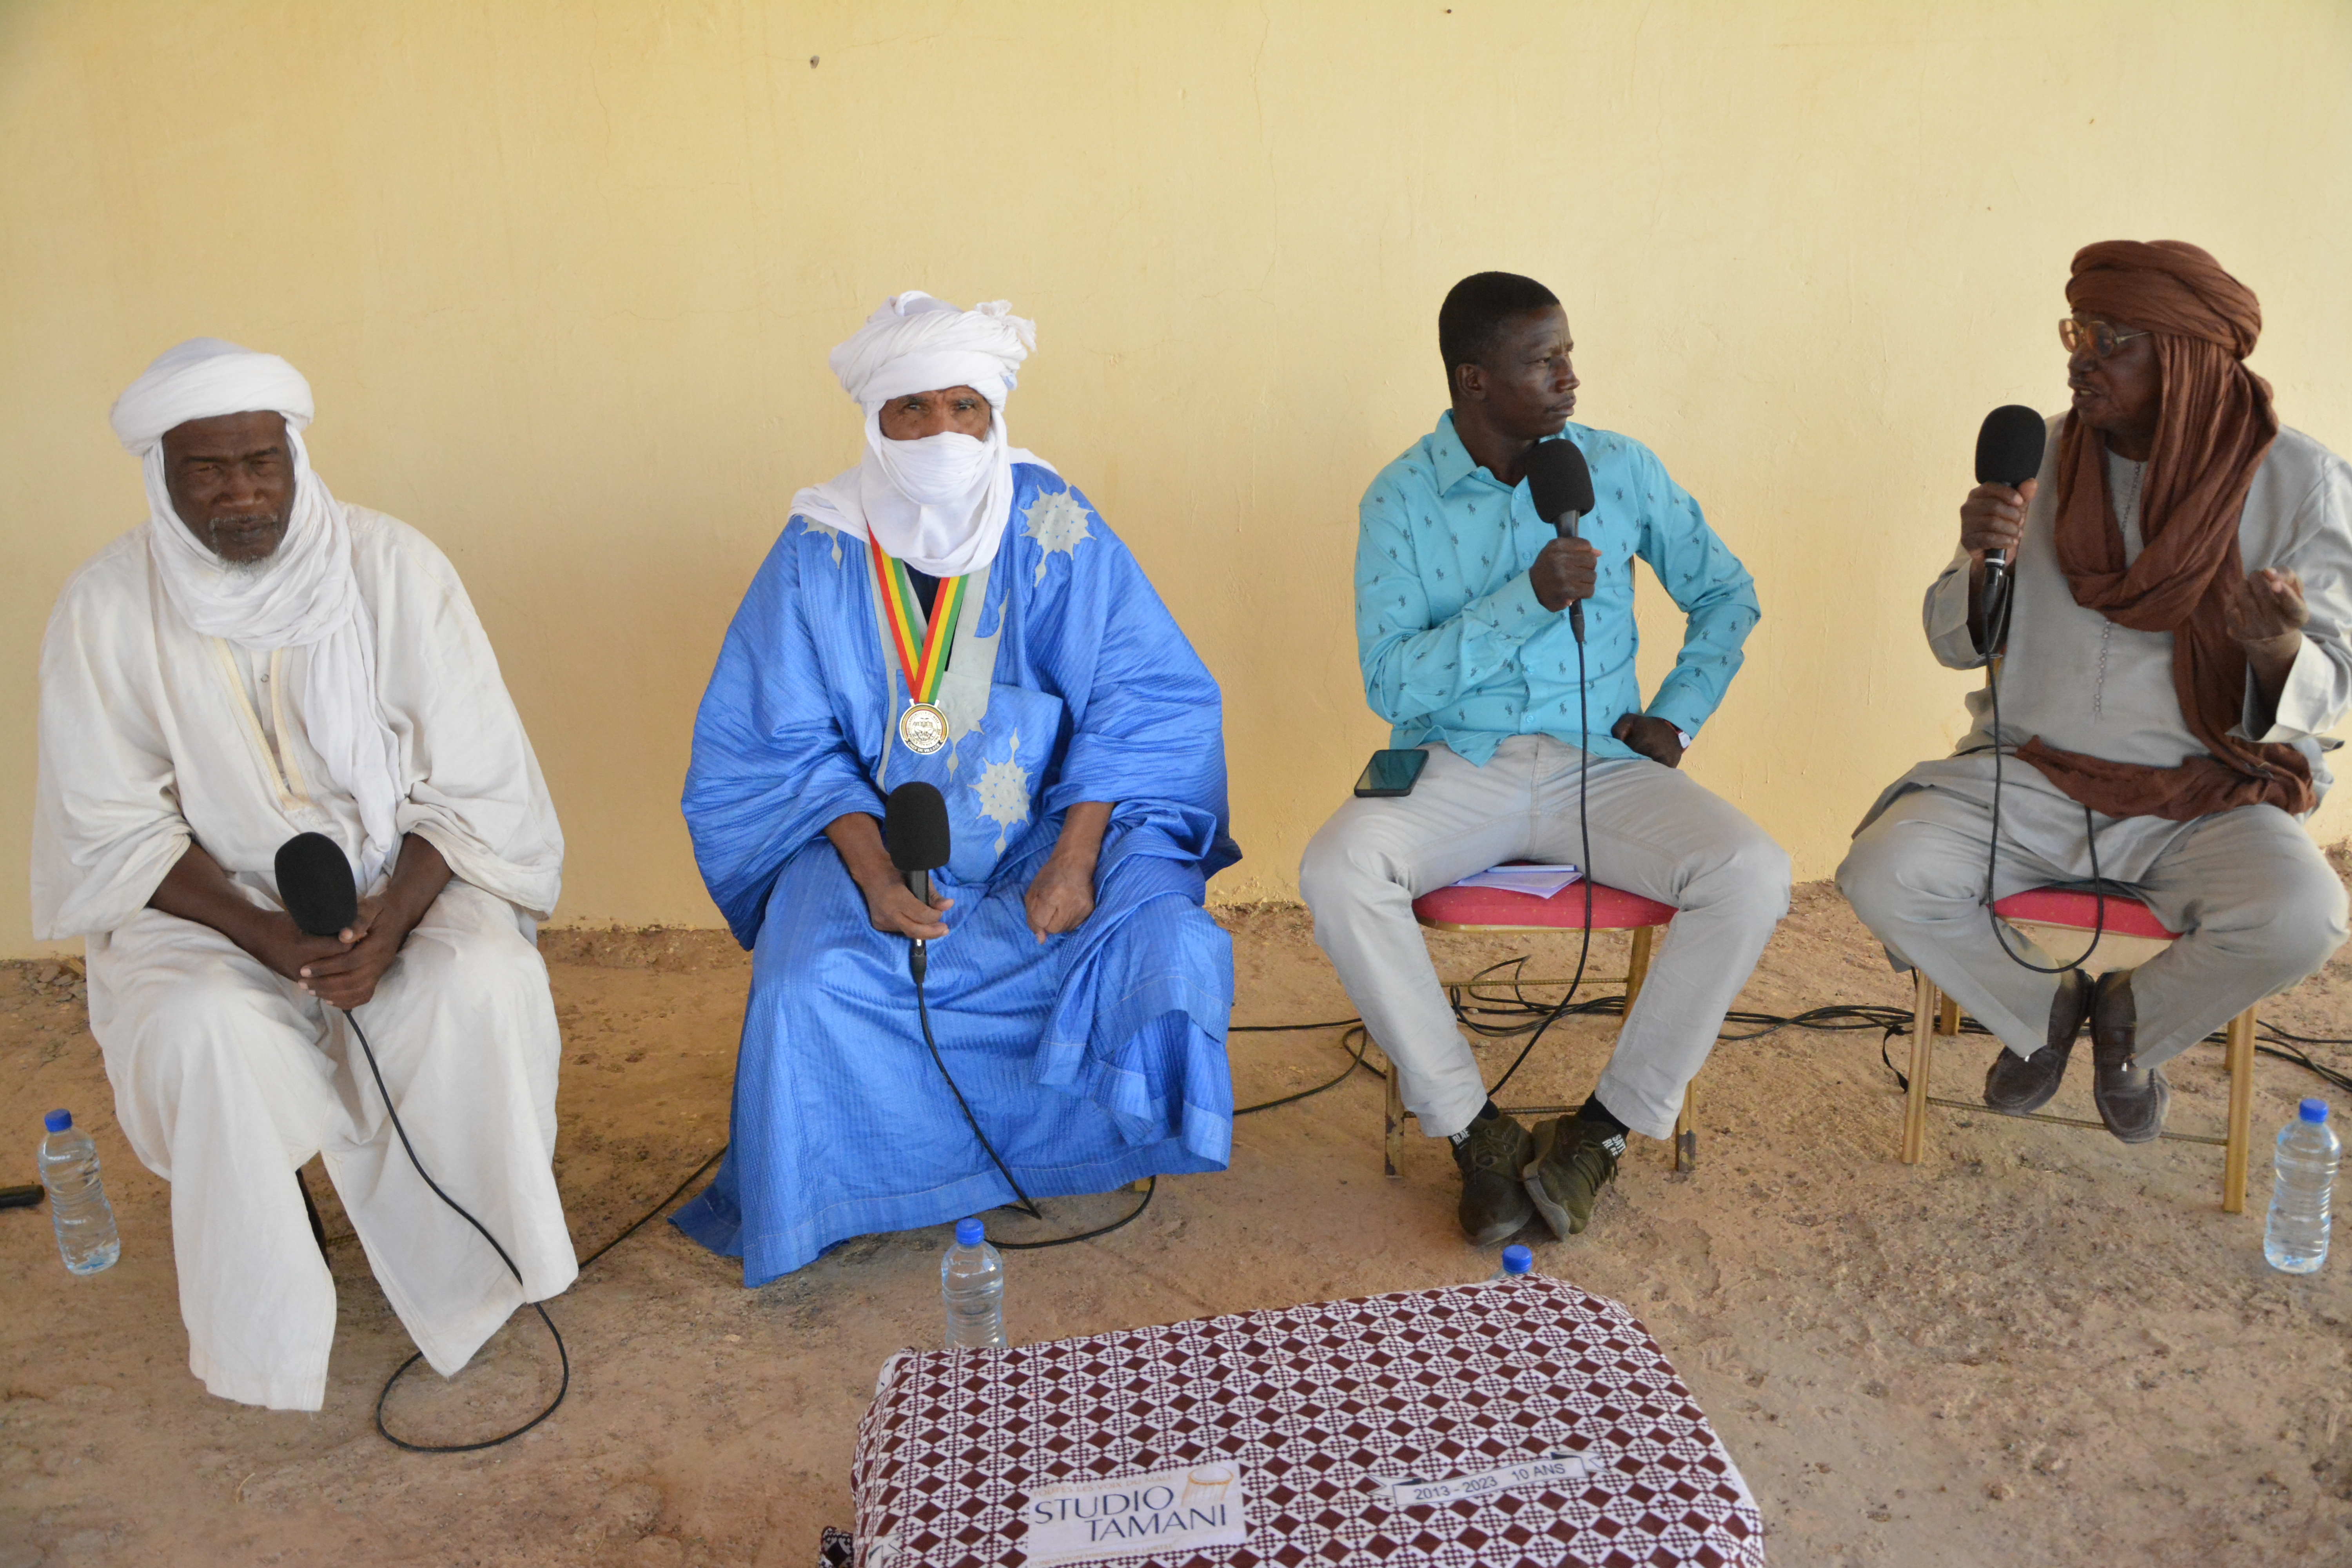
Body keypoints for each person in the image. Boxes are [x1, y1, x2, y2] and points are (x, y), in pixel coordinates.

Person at [32, 339, 573, 1411]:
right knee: (202, 1028)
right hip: (210, 905)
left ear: (294, 458)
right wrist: (266, 935)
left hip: (398, 874)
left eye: (260, 464)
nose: (241, 494)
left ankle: (476, 1279)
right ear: (161, 473)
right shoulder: (105, 607)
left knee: (483, 984)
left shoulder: (396, 568)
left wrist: (394, 919)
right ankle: (268, 1336)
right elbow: (113, 828)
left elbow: (478, 782)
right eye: (207, 470)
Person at [673, 293, 1238, 1284]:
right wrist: (873, 874)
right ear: (876, 421)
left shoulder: (1055, 524)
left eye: (964, 407)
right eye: (915, 409)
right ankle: (841, 1190)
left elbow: (1140, 696)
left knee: (1158, 936)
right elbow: (783, 743)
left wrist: (1077, 859)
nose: (943, 432)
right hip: (868, 831)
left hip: (1055, 826)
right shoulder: (818, 549)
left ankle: (1095, 1142)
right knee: (808, 985)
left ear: (993, 415)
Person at [1300, 272, 1789, 1246]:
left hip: (1601, 763)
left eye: (1568, 353)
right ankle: (1472, 1129)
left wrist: (1678, 715)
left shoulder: (1621, 468)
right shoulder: (1400, 497)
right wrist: (1525, 601)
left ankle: (1601, 1130)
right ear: (1475, 380)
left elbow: (1727, 593)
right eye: (1544, 361)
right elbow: (1391, 683)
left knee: (1753, 871)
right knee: (1337, 868)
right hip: (1456, 760)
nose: (1570, 377)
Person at [1839, 241, 2352, 1142]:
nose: (2081, 358)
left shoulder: (2299, 482)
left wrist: (2275, 646)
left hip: (2206, 796)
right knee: (1884, 870)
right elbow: (1954, 644)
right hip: (2031, 774)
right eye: (2078, 331)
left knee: (2303, 915)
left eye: (2113, 340)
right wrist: (1981, 562)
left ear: (2187, 359)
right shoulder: (2037, 456)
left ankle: (2129, 1023)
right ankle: (2041, 1008)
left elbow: (2333, 685)